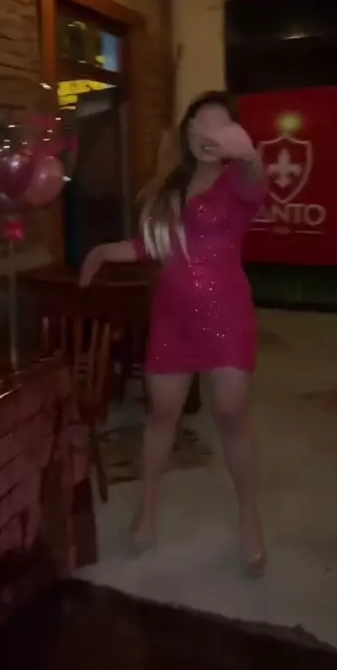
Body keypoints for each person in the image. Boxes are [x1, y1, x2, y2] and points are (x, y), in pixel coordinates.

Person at [80, 91, 266, 576]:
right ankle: (148, 508)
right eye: (201, 123)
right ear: (188, 131)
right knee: (162, 415)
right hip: (172, 318)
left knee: (231, 413)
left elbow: (256, 178)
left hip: (226, 316)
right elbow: (150, 245)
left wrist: (248, 154)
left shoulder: (237, 180)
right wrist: (104, 251)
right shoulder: (170, 186)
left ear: (233, 135)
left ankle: (249, 515)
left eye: (221, 126)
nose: (209, 134)